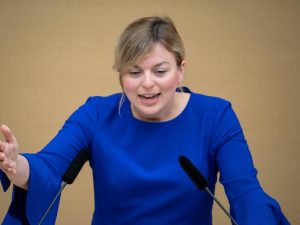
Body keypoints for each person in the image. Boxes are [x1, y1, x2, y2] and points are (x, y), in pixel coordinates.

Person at [0, 16, 290, 225]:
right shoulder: (96, 114)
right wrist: (17, 166)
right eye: (134, 72)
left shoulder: (216, 116)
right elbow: (48, 166)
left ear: (180, 70)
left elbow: (246, 193)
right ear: (121, 75)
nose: (147, 84)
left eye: (160, 71)